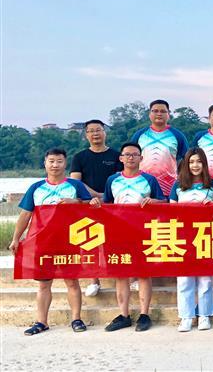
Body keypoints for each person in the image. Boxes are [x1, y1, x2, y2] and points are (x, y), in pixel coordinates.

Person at [10, 148, 92, 335]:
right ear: (45, 163)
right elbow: (25, 214)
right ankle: (42, 322)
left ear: (65, 163)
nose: (55, 165)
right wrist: (16, 238)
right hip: (42, 242)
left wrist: (76, 202)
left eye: (59, 161)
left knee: (72, 282)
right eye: (51, 161)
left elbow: (91, 206)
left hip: (69, 241)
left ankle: (76, 319)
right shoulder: (36, 187)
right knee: (43, 284)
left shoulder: (75, 185)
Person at [92, 142, 166, 332]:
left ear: (141, 158)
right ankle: (124, 315)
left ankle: (144, 314)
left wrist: (154, 202)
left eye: (135, 154)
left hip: (143, 231)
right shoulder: (112, 180)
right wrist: (96, 204)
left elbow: (163, 202)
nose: (131, 158)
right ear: (121, 158)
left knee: (143, 273)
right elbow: (107, 204)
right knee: (121, 274)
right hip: (117, 232)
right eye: (127, 154)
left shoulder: (149, 180)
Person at [169, 148, 213, 332]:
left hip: (206, 235)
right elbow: (171, 213)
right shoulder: (178, 185)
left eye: (199, 161)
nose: (195, 165)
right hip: (183, 237)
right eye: (191, 162)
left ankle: (205, 315)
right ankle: (186, 316)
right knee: (184, 279)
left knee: (205, 278)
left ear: (204, 164)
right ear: (186, 164)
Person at [70, 119, 122, 298]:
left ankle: (127, 276)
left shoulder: (116, 156)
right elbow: (76, 182)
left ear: (105, 132)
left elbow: (122, 178)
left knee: (118, 241)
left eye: (98, 130)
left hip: (112, 204)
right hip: (88, 205)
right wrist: (96, 195)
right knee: (90, 242)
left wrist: (105, 196)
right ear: (86, 135)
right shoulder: (80, 157)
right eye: (91, 131)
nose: (95, 134)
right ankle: (94, 280)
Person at [129, 99, 188, 197]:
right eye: (155, 111)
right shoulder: (139, 135)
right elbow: (130, 158)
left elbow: (186, 159)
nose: (159, 114)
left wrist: (181, 180)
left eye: (163, 111)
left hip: (169, 187)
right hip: (142, 185)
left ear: (168, 114)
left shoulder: (178, 135)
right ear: (149, 114)